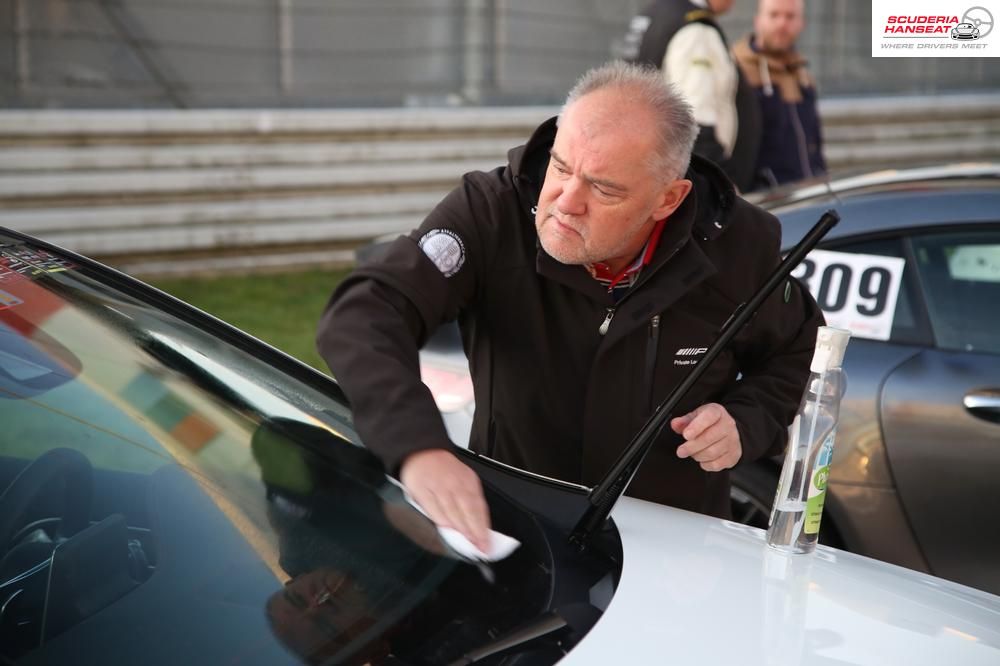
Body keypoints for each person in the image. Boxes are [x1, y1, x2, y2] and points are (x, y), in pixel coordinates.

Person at [317, 62, 823, 553]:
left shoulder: (738, 245)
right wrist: (418, 447)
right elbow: (366, 314)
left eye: (603, 188)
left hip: (675, 553)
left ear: (668, 199)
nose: (565, 200)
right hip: (522, 541)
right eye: (561, 166)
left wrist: (747, 421)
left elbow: (802, 349)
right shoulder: (493, 211)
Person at [622, 0, 761, 191]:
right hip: (693, 184)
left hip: (653, 170)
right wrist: (722, 186)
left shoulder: (656, 13)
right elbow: (695, 123)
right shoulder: (696, 31)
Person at [732, 0, 826, 189]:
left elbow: (814, 143)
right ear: (758, 20)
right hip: (762, 203)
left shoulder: (802, 75)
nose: (782, 24)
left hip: (809, 195)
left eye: (790, 16)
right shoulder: (736, 71)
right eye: (774, 15)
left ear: (801, 23)